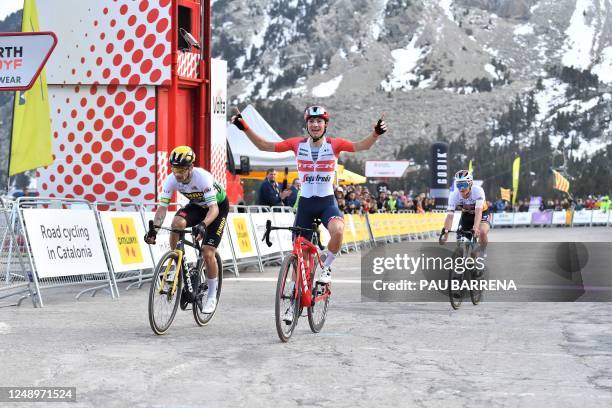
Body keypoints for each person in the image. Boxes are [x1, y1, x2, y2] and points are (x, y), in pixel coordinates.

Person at [231, 105, 387, 289]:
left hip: (326, 202)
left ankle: (326, 267)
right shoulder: (297, 144)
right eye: (311, 121)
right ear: (307, 124)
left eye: (319, 121)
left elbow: (363, 145)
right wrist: (245, 127)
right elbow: (264, 145)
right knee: (299, 256)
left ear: (325, 124)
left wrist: (376, 133)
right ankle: (292, 298)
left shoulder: (334, 144)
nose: (315, 124)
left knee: (337, 230)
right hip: (305, 204)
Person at [144, 146, 229, 314]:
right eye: (175, 169)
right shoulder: (171, 179)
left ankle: (212, 295)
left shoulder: (203, 178)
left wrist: (203, 225)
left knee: (207, 252)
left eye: (182, 169)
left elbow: (214, 210)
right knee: (177, 223)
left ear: (191, 167)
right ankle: (175, 264)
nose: (178, 174)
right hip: (197, 206)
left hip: (217, 208)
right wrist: (154, 230)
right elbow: (162, 209)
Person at [440, 170, 490, 256]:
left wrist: (475, 228)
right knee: (461, 243)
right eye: (459, 185)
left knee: (482, 232)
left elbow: (478, 213)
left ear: (470, 184)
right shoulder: (454, 195)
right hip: (466, 215)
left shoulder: (478, 191)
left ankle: (482, 248)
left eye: (464, 184)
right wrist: (446, 232)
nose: (461, 188)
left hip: (481, 214)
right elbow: (449, 216)